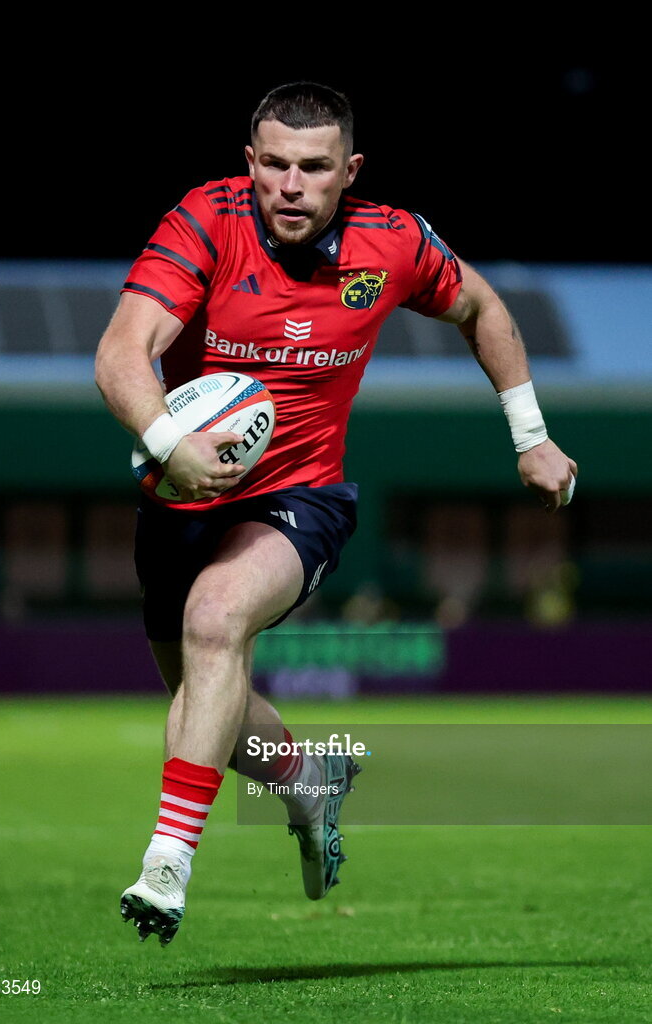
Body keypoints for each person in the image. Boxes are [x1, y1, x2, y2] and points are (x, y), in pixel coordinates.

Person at [94, 81, 577, 947]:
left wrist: (530, 435)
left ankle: (166, 866)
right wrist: (169, 439)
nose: (290, 184)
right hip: (183, 491)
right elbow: (121, 353)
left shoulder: (389, 242)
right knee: (210, 703)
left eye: (312, 168)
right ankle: (311, 781)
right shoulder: (205, 222)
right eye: (273, 163)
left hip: (300, 498)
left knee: (215, 623)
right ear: (249, 163)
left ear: (347, 172)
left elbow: (480, 306)